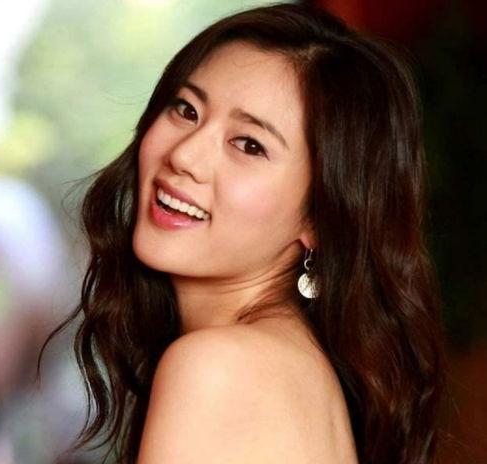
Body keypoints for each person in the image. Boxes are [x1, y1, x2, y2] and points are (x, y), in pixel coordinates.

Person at [39, 2, 448, 463]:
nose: (184, 156)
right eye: (187, 109)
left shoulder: (221, 368)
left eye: (249, 145)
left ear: (321, 216)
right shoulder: (289, 363)